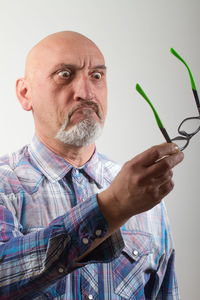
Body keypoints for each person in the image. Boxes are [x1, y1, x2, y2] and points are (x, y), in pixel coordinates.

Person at [0, 31, 184, 300]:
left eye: (96, 76)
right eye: (64, 74)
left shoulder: (146, 195)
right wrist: (112, 207)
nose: (86, 93)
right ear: (25, 93)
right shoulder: (5, 185)